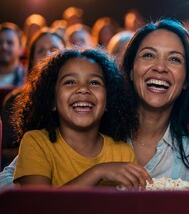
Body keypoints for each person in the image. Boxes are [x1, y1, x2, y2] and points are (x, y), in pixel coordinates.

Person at [12, 47, 151, 188]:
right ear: (52, 100)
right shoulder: (36, 142)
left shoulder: (122, 152)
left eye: (94, 82)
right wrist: (98, 172)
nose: (83, 89)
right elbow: (37, 206)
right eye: (70, 82)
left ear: (108, 101)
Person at [121, 18, 189, 187]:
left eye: (174, 59)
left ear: (186, 80)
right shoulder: (98, 135)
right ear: (131, 71)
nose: (160, 67)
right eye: (149, 55)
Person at [1, 29, 65, 169]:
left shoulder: (78, 97)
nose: (48, 55)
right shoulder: (15, 99)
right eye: (41, 50)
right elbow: (4, 152)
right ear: (32, 60)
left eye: (54, 49)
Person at [0, 22, 26, 87]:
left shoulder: (29, 79)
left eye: (10, 43)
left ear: (21, 49)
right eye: (0, 42)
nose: (4, 46)